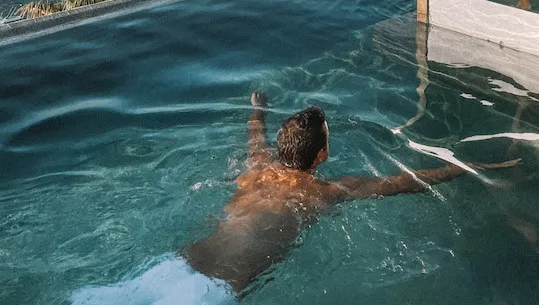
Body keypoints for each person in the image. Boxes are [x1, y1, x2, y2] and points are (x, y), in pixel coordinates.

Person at [71, 92, 512, 303]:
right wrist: (470, 168)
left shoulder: (260, 167)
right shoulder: (325, 190)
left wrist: (257, 108)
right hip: (213, 288)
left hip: (177, 262)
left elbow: (253, 135)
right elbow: (404, 181)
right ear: (321, 155)